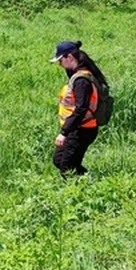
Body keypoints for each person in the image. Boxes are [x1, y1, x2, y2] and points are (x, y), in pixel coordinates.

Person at [51, 40, 106, 178]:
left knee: (67, 167)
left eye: (60, 60)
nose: (60, 64)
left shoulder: (82, 81)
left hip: (83, 129)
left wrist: (64, 133)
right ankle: (88, 179)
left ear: (69, 57)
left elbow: (81, 109)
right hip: (75, 128)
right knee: (59, 160)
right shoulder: (77, 76)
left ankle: (78, 191)